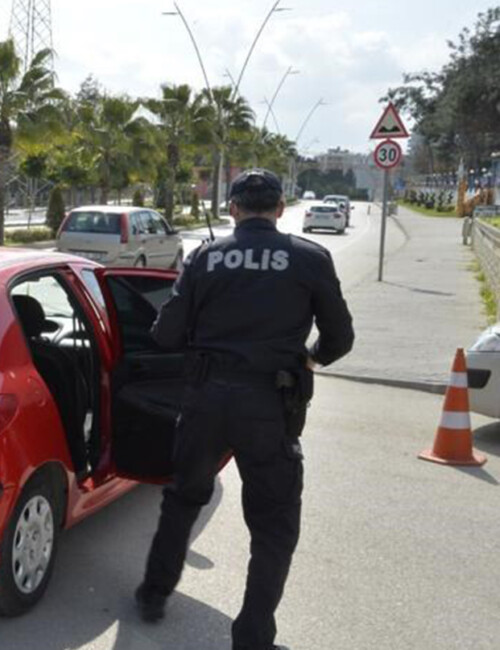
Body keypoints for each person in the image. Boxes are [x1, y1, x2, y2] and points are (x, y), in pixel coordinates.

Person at [134, 169, 354, 650]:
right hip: (270, 406)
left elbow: (165, 335)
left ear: (232, 208)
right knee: (273, 524)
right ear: (279, 208)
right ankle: (252, 638)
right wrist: (308, 359)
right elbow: (340, 339)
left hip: (205, 401)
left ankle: (153, 594)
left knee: (183, 499)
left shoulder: (205, 258)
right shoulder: (310, 258)